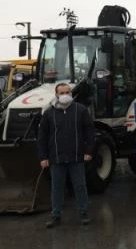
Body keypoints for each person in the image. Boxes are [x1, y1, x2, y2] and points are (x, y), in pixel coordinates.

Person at [37, 83, 94, 228]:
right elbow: (42, 137)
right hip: (56, 158)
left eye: (68, 92)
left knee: (80, 186)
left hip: (76, 157)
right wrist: (43, 157)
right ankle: (56, 216)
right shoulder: (49, 113)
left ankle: (83, 213)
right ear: (56, 95)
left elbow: (89, 132)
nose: (65, 95)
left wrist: (88, 151)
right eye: (62, 93)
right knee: (57, 188)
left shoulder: (80, 110)